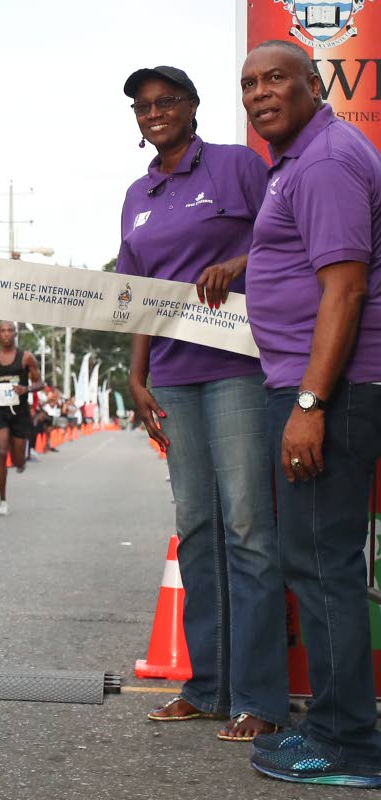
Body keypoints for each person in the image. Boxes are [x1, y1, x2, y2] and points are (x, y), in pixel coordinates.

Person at [116, 64, 286, 743]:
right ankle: (208, 686)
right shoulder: (137, 193)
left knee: (247, 526)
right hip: (174, 374)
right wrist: (137, 374)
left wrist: (236, 266)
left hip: (240, 365)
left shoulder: (239, 168)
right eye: (143, 106)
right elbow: (133, 292)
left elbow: (286, 233)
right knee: (197, 528)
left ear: (191, 106)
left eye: (166, 101)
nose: (154, 112)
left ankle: (262, 695)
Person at [239, 41, 381, 786]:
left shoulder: (324, 161)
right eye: (249, 83)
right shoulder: (302, 160)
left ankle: (347, 742)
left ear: (313, 83)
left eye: (275, 79)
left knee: (323, 567)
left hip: (332, 389)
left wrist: (309, 404)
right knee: (317, 562)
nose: (260, 93)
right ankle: (337, 724)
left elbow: (346, 290)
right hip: (318, 386)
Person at [0, 321, 43, 516]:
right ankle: (3, 500)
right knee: (1, 450)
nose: (6, 334)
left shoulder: (26, 358)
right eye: (3, 331)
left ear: (15, 334)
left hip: (19, 411)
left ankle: (21, 462)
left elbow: (40, 382)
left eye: (10, 331)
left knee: (18, 459)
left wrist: (27, 388)